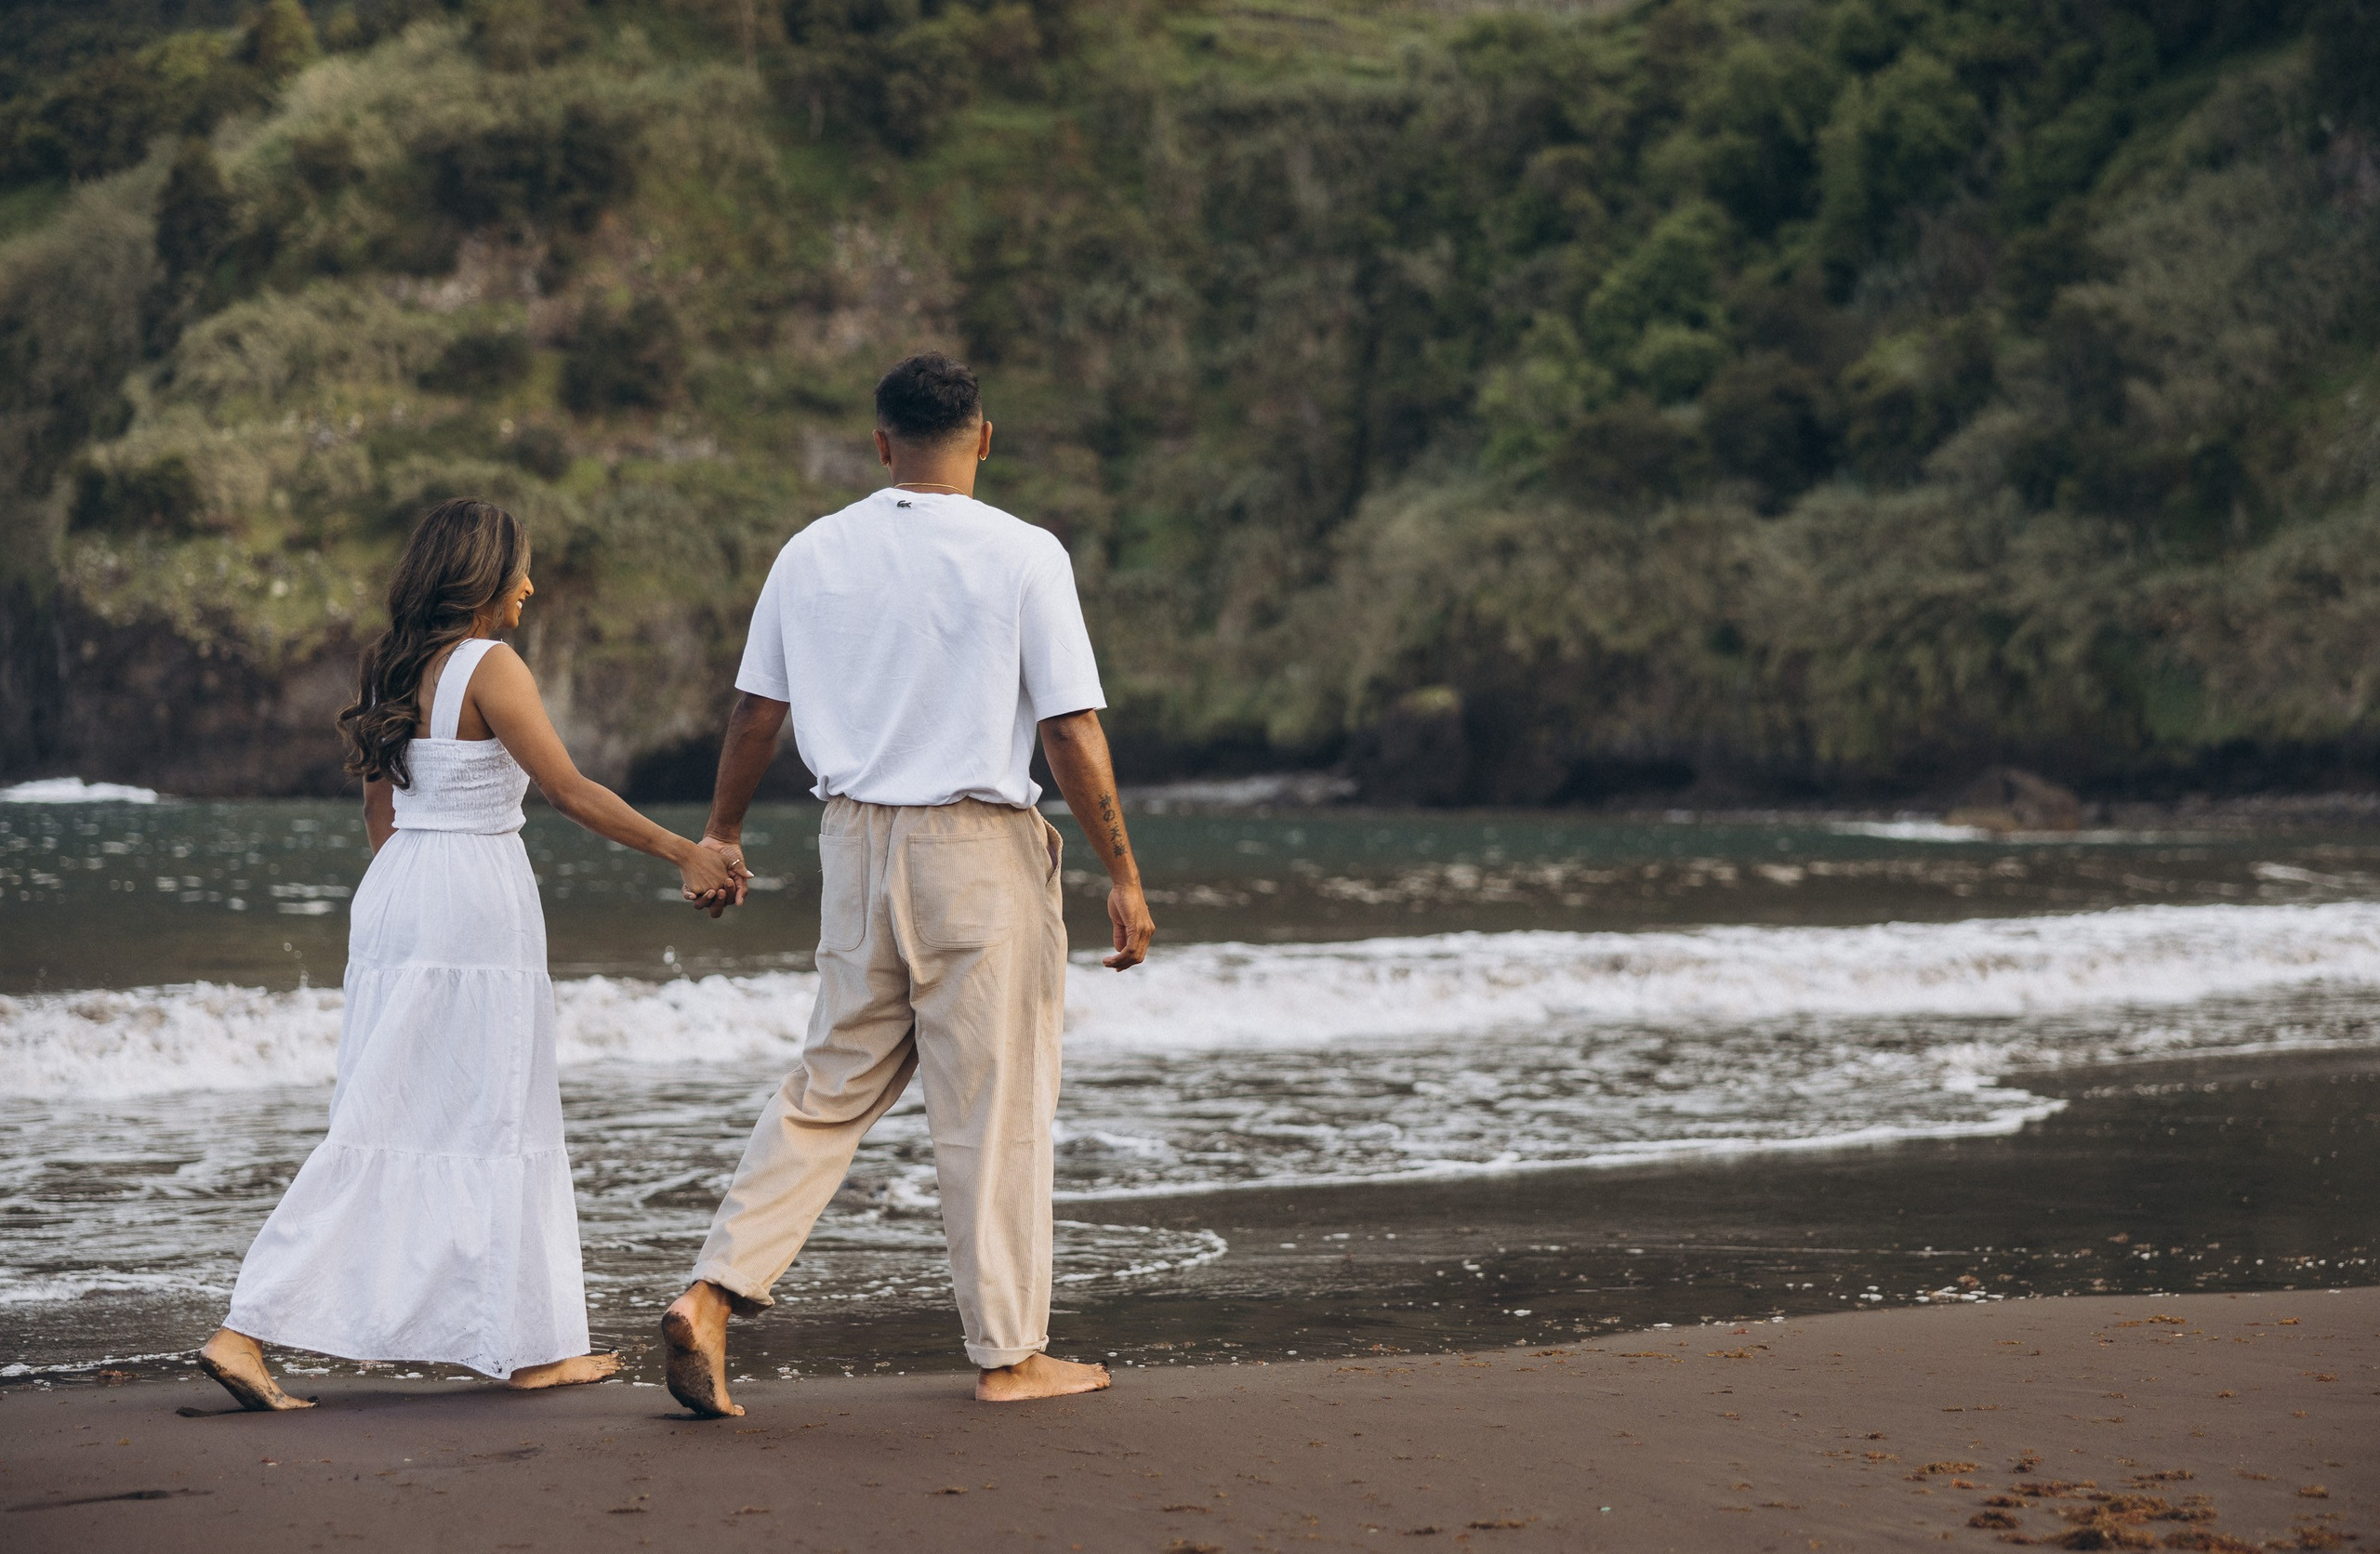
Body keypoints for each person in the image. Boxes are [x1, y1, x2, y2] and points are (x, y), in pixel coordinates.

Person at [660, 352, 1156, 1416]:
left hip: (854, 844)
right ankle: (1010, 1353)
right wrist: (1122, 871)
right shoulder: (1024, 553)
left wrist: (724, 831)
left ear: (880, 443)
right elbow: (1069, 728)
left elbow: (756, 712)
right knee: (993, 1104)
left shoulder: (811, 550)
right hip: (977, 848)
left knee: (830, 1085)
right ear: (985, 437)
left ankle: (712, 1290)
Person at [196, 498, 740, 1411]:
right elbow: (566, 790)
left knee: (447, 1114)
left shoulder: (391, 667)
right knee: (460, 1116)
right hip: (473, 903)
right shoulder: (492, 667)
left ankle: (529, 1347)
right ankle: (243, 1330)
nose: (530, 584)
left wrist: (406, 901)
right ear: (484, 576)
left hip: (403, 892)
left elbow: (383, 815)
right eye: (520, 569)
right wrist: (684, 851)